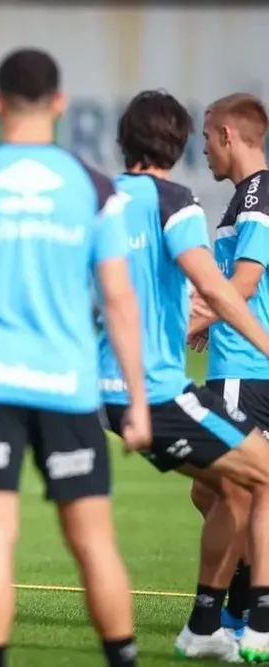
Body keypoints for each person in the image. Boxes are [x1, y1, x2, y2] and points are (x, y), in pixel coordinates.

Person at [0, 48, 148, 667]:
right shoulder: (94, 188)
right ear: (60, 104)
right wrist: (139, 402)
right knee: (93, 542)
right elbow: (120, 302)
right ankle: (122, 657)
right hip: (69, 388)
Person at [90, 89, 269, 662]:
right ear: (184, 141)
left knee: (234, 489)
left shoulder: (99, 202)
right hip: (156, 390)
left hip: (101, 386)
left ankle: (209, 624)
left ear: (123, 141)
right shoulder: (177, 202)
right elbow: (220, 287)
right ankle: (251, 622)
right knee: (261, 478)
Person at [186, 92, 269, 655]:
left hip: (245, 369)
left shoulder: (257, 198)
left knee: (236, 489)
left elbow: (243, 281)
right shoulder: (241, 199)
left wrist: (207, 311)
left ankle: (244, 612)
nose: (205, 148)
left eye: (208, 136)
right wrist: (207, 322)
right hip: (234, 360)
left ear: (228, 136)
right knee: (211, 490)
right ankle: (241, 608)